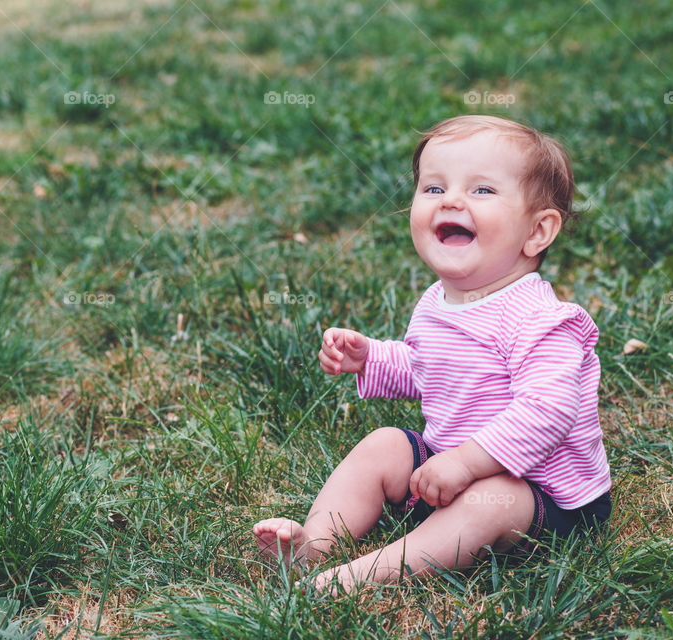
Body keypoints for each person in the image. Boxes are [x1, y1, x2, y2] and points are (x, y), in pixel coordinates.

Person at [253, 115, 612, 593]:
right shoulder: (438, 302)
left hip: (544, 498)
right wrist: (372, 359)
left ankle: (360, 577)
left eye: (482, 190)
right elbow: (432, 369)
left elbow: (548, 412)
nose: (451, 200)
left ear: (538, 231)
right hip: (446, 470)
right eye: (434, 188)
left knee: (492, 498)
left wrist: (465, 464)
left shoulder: (543, 321)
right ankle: (313, 545)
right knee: (384, 443)